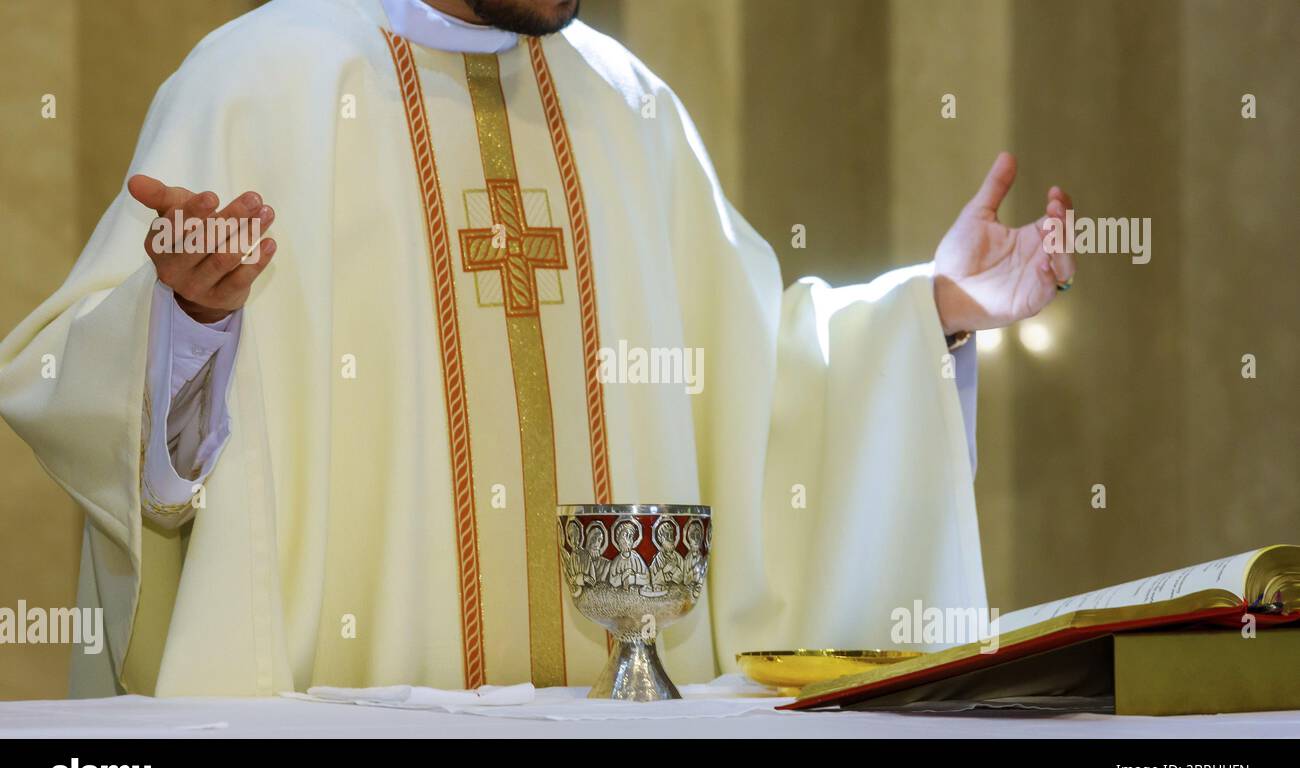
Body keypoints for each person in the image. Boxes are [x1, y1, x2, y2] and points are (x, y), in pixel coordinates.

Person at [0, 0, 1077, 695]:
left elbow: (761, 383)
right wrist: (187, 325)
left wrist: (926, 315)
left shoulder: (629, 106)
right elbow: (92, 416)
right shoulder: (255, 82)